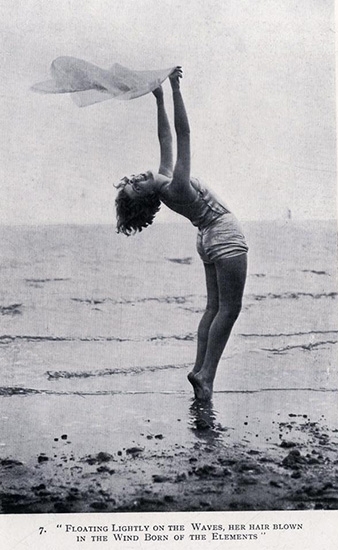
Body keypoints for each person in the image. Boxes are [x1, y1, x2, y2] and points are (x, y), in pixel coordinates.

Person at [115, 67, 248, 401]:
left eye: (132, 179)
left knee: (213, 307)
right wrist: (175, 88)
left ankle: (200, 370)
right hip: (223, 233)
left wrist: (158, 100)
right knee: (228, 310)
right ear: (146, 196)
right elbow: (183, 134)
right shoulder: (176, 186)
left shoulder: (164, 181)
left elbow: (166, 138)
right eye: (136, 185)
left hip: (206, 238)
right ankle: (207, 375)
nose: (137, 177)